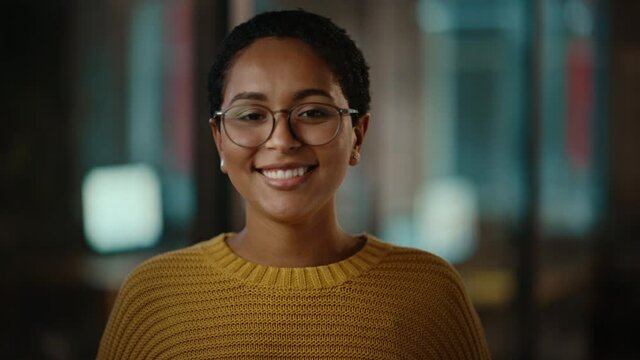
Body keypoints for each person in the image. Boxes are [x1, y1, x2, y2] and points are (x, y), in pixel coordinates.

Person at [97, 10, 491, 359]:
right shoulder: (154, 298)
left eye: (313, 112)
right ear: (218, 138)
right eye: (251, 115)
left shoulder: (429, 294)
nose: (282, 140)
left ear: (358, 134)